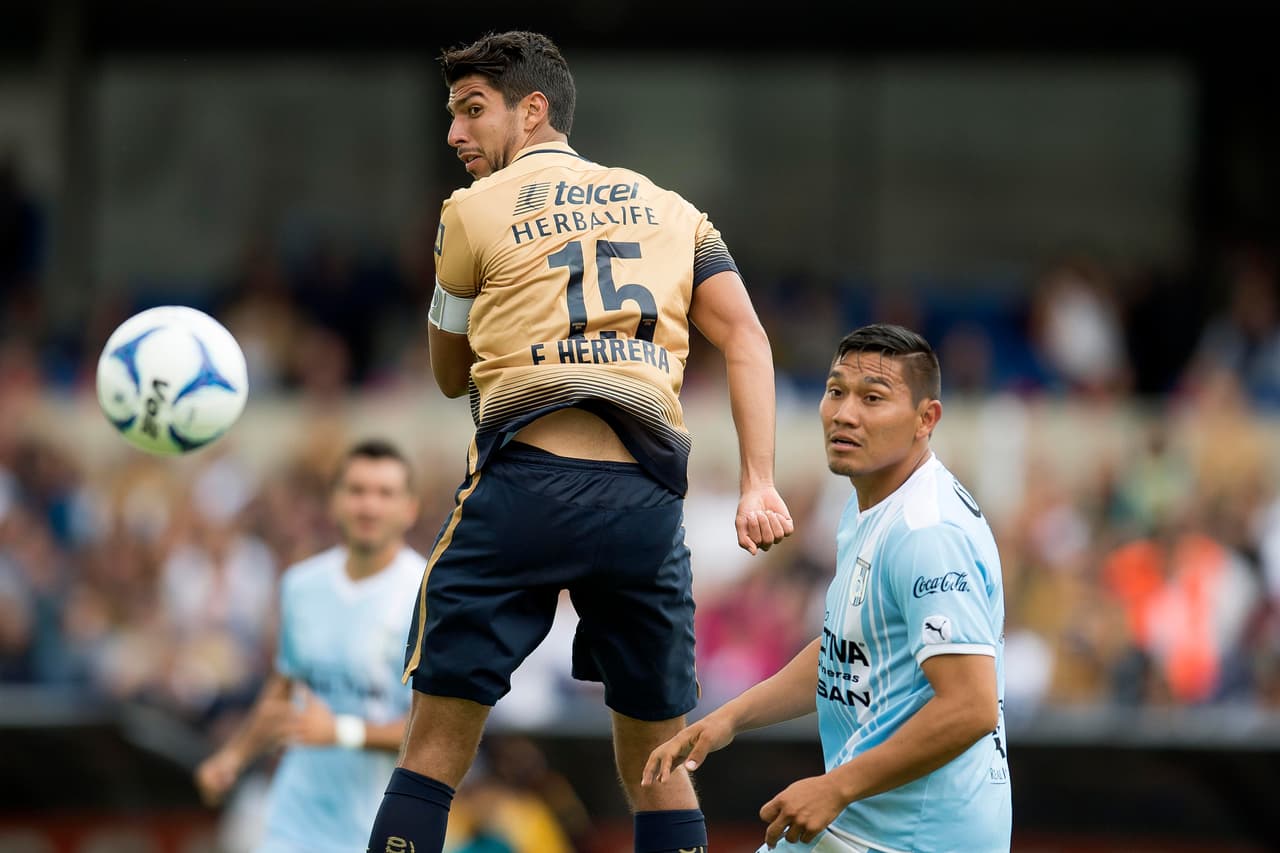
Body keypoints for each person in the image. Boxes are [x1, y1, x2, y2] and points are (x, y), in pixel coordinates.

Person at [366, 29, 794, 853]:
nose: (454, 134)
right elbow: (745, 334)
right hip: (642, 508)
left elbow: (449, 374)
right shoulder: (675, 210)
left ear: (533, 111)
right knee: (662, 761)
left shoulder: (469, 211)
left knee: (433, 751)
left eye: (471, 110)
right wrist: (759, 482)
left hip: (523, 488)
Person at [644, 324, 1012, 853]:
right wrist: (729, 718)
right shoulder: (868, 504)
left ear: (925, 419)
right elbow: (847, 650)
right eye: (836, 391)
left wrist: (835, 786)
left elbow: (970, 706)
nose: (844, 413)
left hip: (915, 839)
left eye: (872, 398)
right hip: (864, 827)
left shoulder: (928, 533)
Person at [194, 439, 426, 852]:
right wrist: (233, 757)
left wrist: (342, 731)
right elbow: (284, 688)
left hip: (381, 826)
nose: (368, 506)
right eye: (356, 490)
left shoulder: (427, 595)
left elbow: (434, 731)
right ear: (335, 501)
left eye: (384, 493)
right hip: (295, 821)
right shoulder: (301, 585)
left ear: (410, 508)